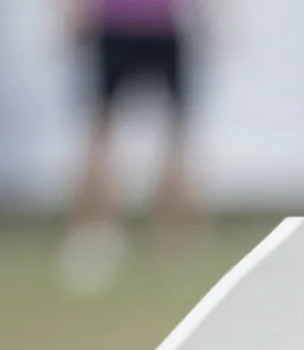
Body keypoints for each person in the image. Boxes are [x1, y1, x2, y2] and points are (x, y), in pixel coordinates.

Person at [59, 0, 202, 294]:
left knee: (173, 138)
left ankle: (174, 239)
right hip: (118, 23)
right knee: (103, 134)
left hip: (155, 23)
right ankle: (96, 234)